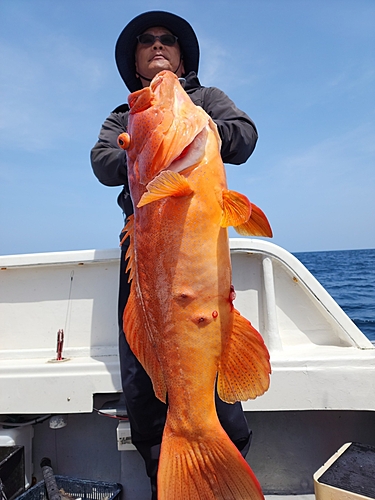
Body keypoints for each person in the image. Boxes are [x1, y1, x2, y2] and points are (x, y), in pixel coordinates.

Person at [91, 11, 259, 499]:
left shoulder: (204, 100)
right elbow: (102, 162)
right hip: (143, 245)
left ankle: (224, 459)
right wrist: (136, 145)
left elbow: (244, 137)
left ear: (182, 55)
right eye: (147, 41)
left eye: (167, 40)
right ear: (136, 58)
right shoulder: (126, 113)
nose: (157, 45)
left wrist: (203, 128)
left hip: (199, 242)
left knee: (214, 344)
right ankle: (162, 470)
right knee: (141, 370)